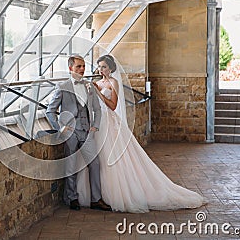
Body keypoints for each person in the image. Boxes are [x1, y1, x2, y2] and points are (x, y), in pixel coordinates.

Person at [76, 54, 205, 212]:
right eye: (99, 66)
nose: (101, 69)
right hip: (97, 122)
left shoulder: (114, 83)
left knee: (111, 157)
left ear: (110, 68)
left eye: (104, 66)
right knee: (98, 160)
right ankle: (96, 194)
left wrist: (100, 94)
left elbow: (113, 105)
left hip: (110, 122)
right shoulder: (95, 83)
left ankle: (115, 194)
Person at [46, 55, 112, 211]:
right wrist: (60, 128)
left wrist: (95, 125)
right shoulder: (62, 86)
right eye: (78, 67)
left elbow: (97, 109)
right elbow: (50, 111)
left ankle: (96, 200)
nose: (82, 69)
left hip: (87, 130)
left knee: (95, 164)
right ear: (70, 69)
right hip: (70, 132)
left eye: (83, 66)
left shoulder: (89, 86)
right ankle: (72, 198)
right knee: (71, 166)